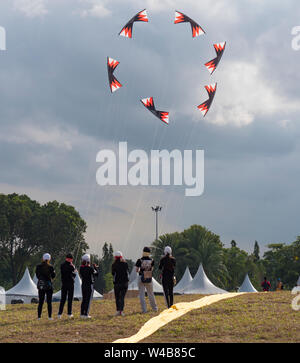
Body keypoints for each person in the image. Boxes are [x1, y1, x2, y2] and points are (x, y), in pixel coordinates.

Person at [135, 247, 158, 314]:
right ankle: (155, 308)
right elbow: (152, 269)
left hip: (141, 276)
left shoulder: (139, 260)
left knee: (142, 294)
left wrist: (141, 270)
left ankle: (144, 310)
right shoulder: (152, 260)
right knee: (151, 293)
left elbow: (136, 270)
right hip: (148, 275)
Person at [36, 253, 56, 320]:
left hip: (41, 285)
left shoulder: (38, 266)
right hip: (48, 286)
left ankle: (39, 317)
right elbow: (53, 276)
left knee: (41, 302)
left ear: (43, 258)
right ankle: (49, 317)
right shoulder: (51, 267)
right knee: (49, 302)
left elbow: (37, 276)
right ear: (49, 259)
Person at [58, 253, 76, 319]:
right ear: (70, 259)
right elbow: (73, 275)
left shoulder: (62, 265)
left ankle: (59, 314)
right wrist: (74, 271)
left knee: (63, 299)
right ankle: (69, 313)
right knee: (70, 299)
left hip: (64, 284)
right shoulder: (71, 266)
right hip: (70, 284)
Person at [79, 254, 98, 319]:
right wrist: (95, 267)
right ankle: (86, 314)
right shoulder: (90, 268)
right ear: (88, 261)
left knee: (84, 299)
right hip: (89, 285)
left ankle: (82, 314)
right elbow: (96, 274)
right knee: (88, 300)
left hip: (83, 285)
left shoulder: (81, 268)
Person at [112, 251, 129, 316]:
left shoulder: (114, 265)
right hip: (124, 283)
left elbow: (113, 274)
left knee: (117, 297)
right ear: (121, 257)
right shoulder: (125, 264)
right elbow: (127, 272)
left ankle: (118, 310)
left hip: (117, 283)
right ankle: (121, 311)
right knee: (122, 297)